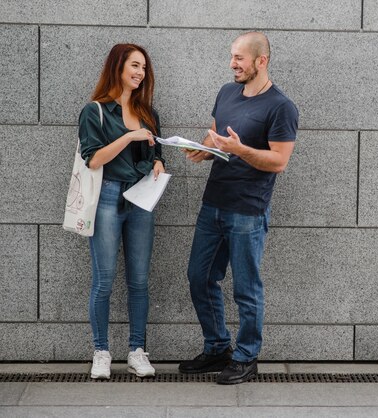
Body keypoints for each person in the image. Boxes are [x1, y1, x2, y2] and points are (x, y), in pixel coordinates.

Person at [179, 31, 298, 385]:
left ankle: (246, 357)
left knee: (246, 287)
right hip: (213, 203)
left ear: (261, 61)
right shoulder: (227, 92)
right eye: (232, 57)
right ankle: (218, 347)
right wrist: (202, 149)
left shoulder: (281, 106)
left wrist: (240, 149)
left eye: (240, 58)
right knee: (199, 277)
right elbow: (215, 134)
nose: (233, 64)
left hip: (248, 210)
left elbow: (278, 161)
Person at [78, 43, 165, 379]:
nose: (140, 73)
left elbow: (156, 153)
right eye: (134, 65)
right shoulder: (95, 111)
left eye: (143, 67)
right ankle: (101, 351)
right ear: (117, 66)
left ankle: (136, 350)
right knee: (103, 281)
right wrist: (130, 138)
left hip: (142, 199)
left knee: (139, 282)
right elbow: (95, 158)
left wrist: (157, 161)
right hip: (108, 197)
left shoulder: (148, 113)